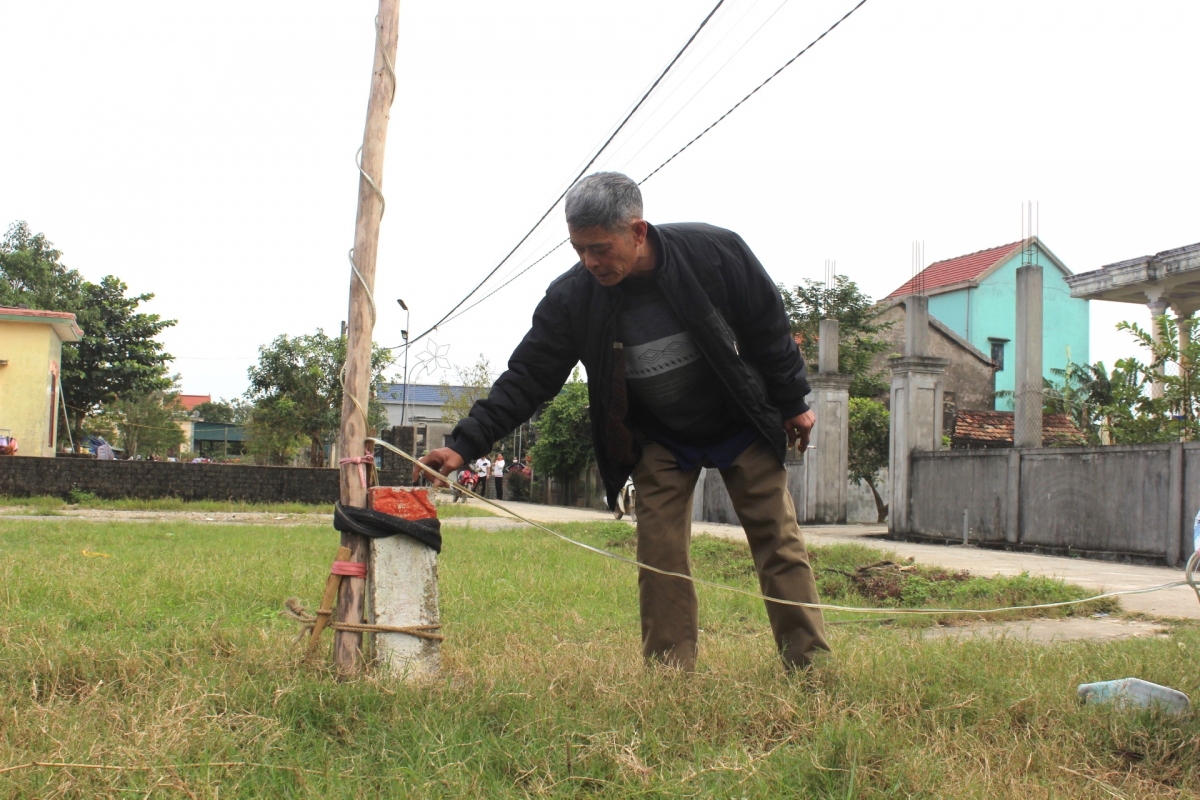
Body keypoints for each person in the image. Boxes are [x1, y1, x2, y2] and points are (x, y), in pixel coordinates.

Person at [420, 171, 828, 672]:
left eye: (600, 248)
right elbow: (528, 377)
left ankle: (810, 665)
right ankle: (668, 676)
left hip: (738, 420)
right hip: (658, 437)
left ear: (637, 232)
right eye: (578, 250)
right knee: (659, 558)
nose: (590, 262)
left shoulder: (715, 252)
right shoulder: (572, 297)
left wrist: (793, 400)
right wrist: (464, 445)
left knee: (778, 543)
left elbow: (769, 326)